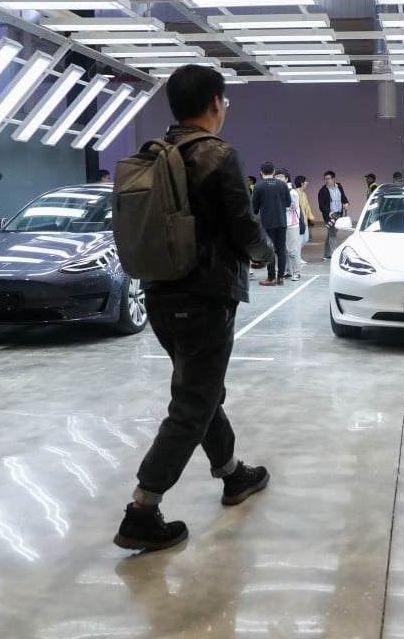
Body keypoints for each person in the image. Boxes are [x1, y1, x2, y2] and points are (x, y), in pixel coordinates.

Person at [114, 64, 274, 552]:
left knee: (201, 392)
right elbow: (243, 226)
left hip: (158, 292)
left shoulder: (150, 155)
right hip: (205, 296)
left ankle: (232, 473)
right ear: (215, 103)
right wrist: (267, 253)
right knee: (192, 403)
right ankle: (142, 509)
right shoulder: (217, 154)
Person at [252, 161, 291, 286]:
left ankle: (271, 278)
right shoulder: (283, 185)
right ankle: (281, 278)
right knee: (281, 250)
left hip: (267, 223)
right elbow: (288, 203)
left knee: (270, 250)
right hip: (282, 222)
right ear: (274, 172)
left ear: (261, 173)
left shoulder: (258, 186)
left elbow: (254, 208)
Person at [318, 170, 349, 261]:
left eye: (328, 178)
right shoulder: (323, 191)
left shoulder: (339, 187)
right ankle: (334, 255)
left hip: (339, 214)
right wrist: (329, 212)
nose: (326, 181)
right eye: (325, 179)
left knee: (331, 234)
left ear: (333, 179)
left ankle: (327, 255)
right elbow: (321, 206)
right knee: (332, 234)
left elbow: (343, 197)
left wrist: (346, 203)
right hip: (330, 216)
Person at [276, 168, 301, 281]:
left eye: (281, 176)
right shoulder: (278, 190)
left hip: (292, 224)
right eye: (276, 177)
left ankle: (296, 272)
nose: (278, 178)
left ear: (287, 178)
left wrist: (279, 206)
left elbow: (293, 206)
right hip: (281, 224)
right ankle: (287, 271)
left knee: (292, 250)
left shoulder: (292, 192)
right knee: (284, 250)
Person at [294, 175, 315, 263]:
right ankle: (297, 258)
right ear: (302, 183)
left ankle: (295, 254)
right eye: (306, 181)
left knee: (305, 239)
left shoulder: (303, 193)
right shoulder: (296, 193)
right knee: (300, 240)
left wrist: (310, 216)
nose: (307, 183)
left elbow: (307, 206)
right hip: (299, 220)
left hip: (304, 220)